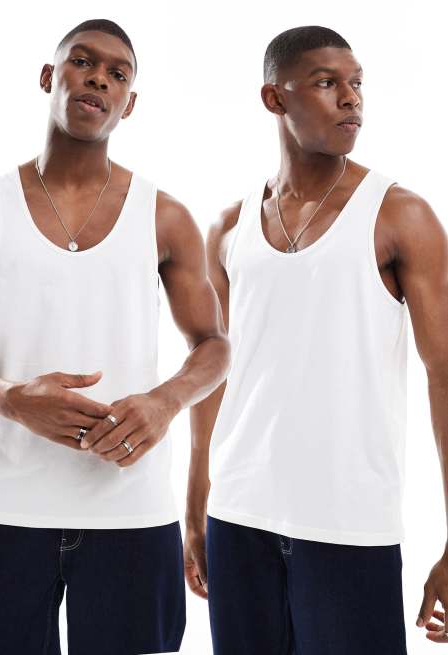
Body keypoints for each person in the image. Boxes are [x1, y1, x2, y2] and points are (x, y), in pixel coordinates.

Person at [0, 18, 230, 655]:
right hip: (10, 507)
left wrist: (164, 401)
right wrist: (10, 398)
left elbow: (214, 344)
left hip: (133, 511)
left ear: (130, 102)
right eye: (83, 61)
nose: (99, 78)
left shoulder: (164, 216)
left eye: (117, 74)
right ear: (50, 76)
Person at [184, 25, 448, 654]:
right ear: (274, 98)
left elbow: (444, 373)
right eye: (327, 83)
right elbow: (211, 370)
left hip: (349, 524)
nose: (351, 98)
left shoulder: (399, 215)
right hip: (239, 517)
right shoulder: (229, 226)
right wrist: (195, 506)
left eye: (356, 83)